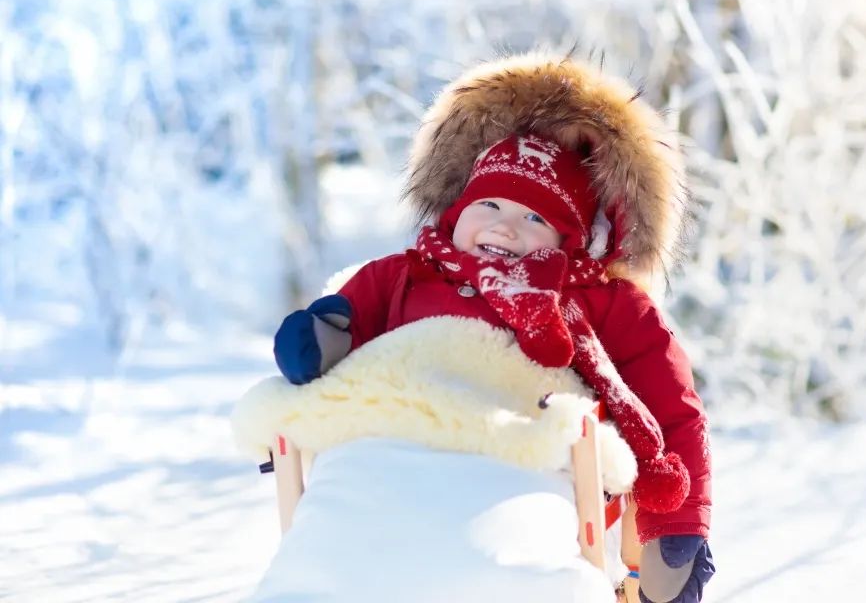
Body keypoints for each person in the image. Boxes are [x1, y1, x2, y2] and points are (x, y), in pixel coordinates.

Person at [272, 55, 714, 603]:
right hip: (388, 453)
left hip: (524, 465)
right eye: (489, 203)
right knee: (343, 536)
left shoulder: (598, 302)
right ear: (455, 211)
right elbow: (347, 316)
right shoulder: (405, 275)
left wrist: (678, 527)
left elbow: (671, 407)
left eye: (535, 218)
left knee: (506, 562)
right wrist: (322, 337)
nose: (505, 226)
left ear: (572, 242)